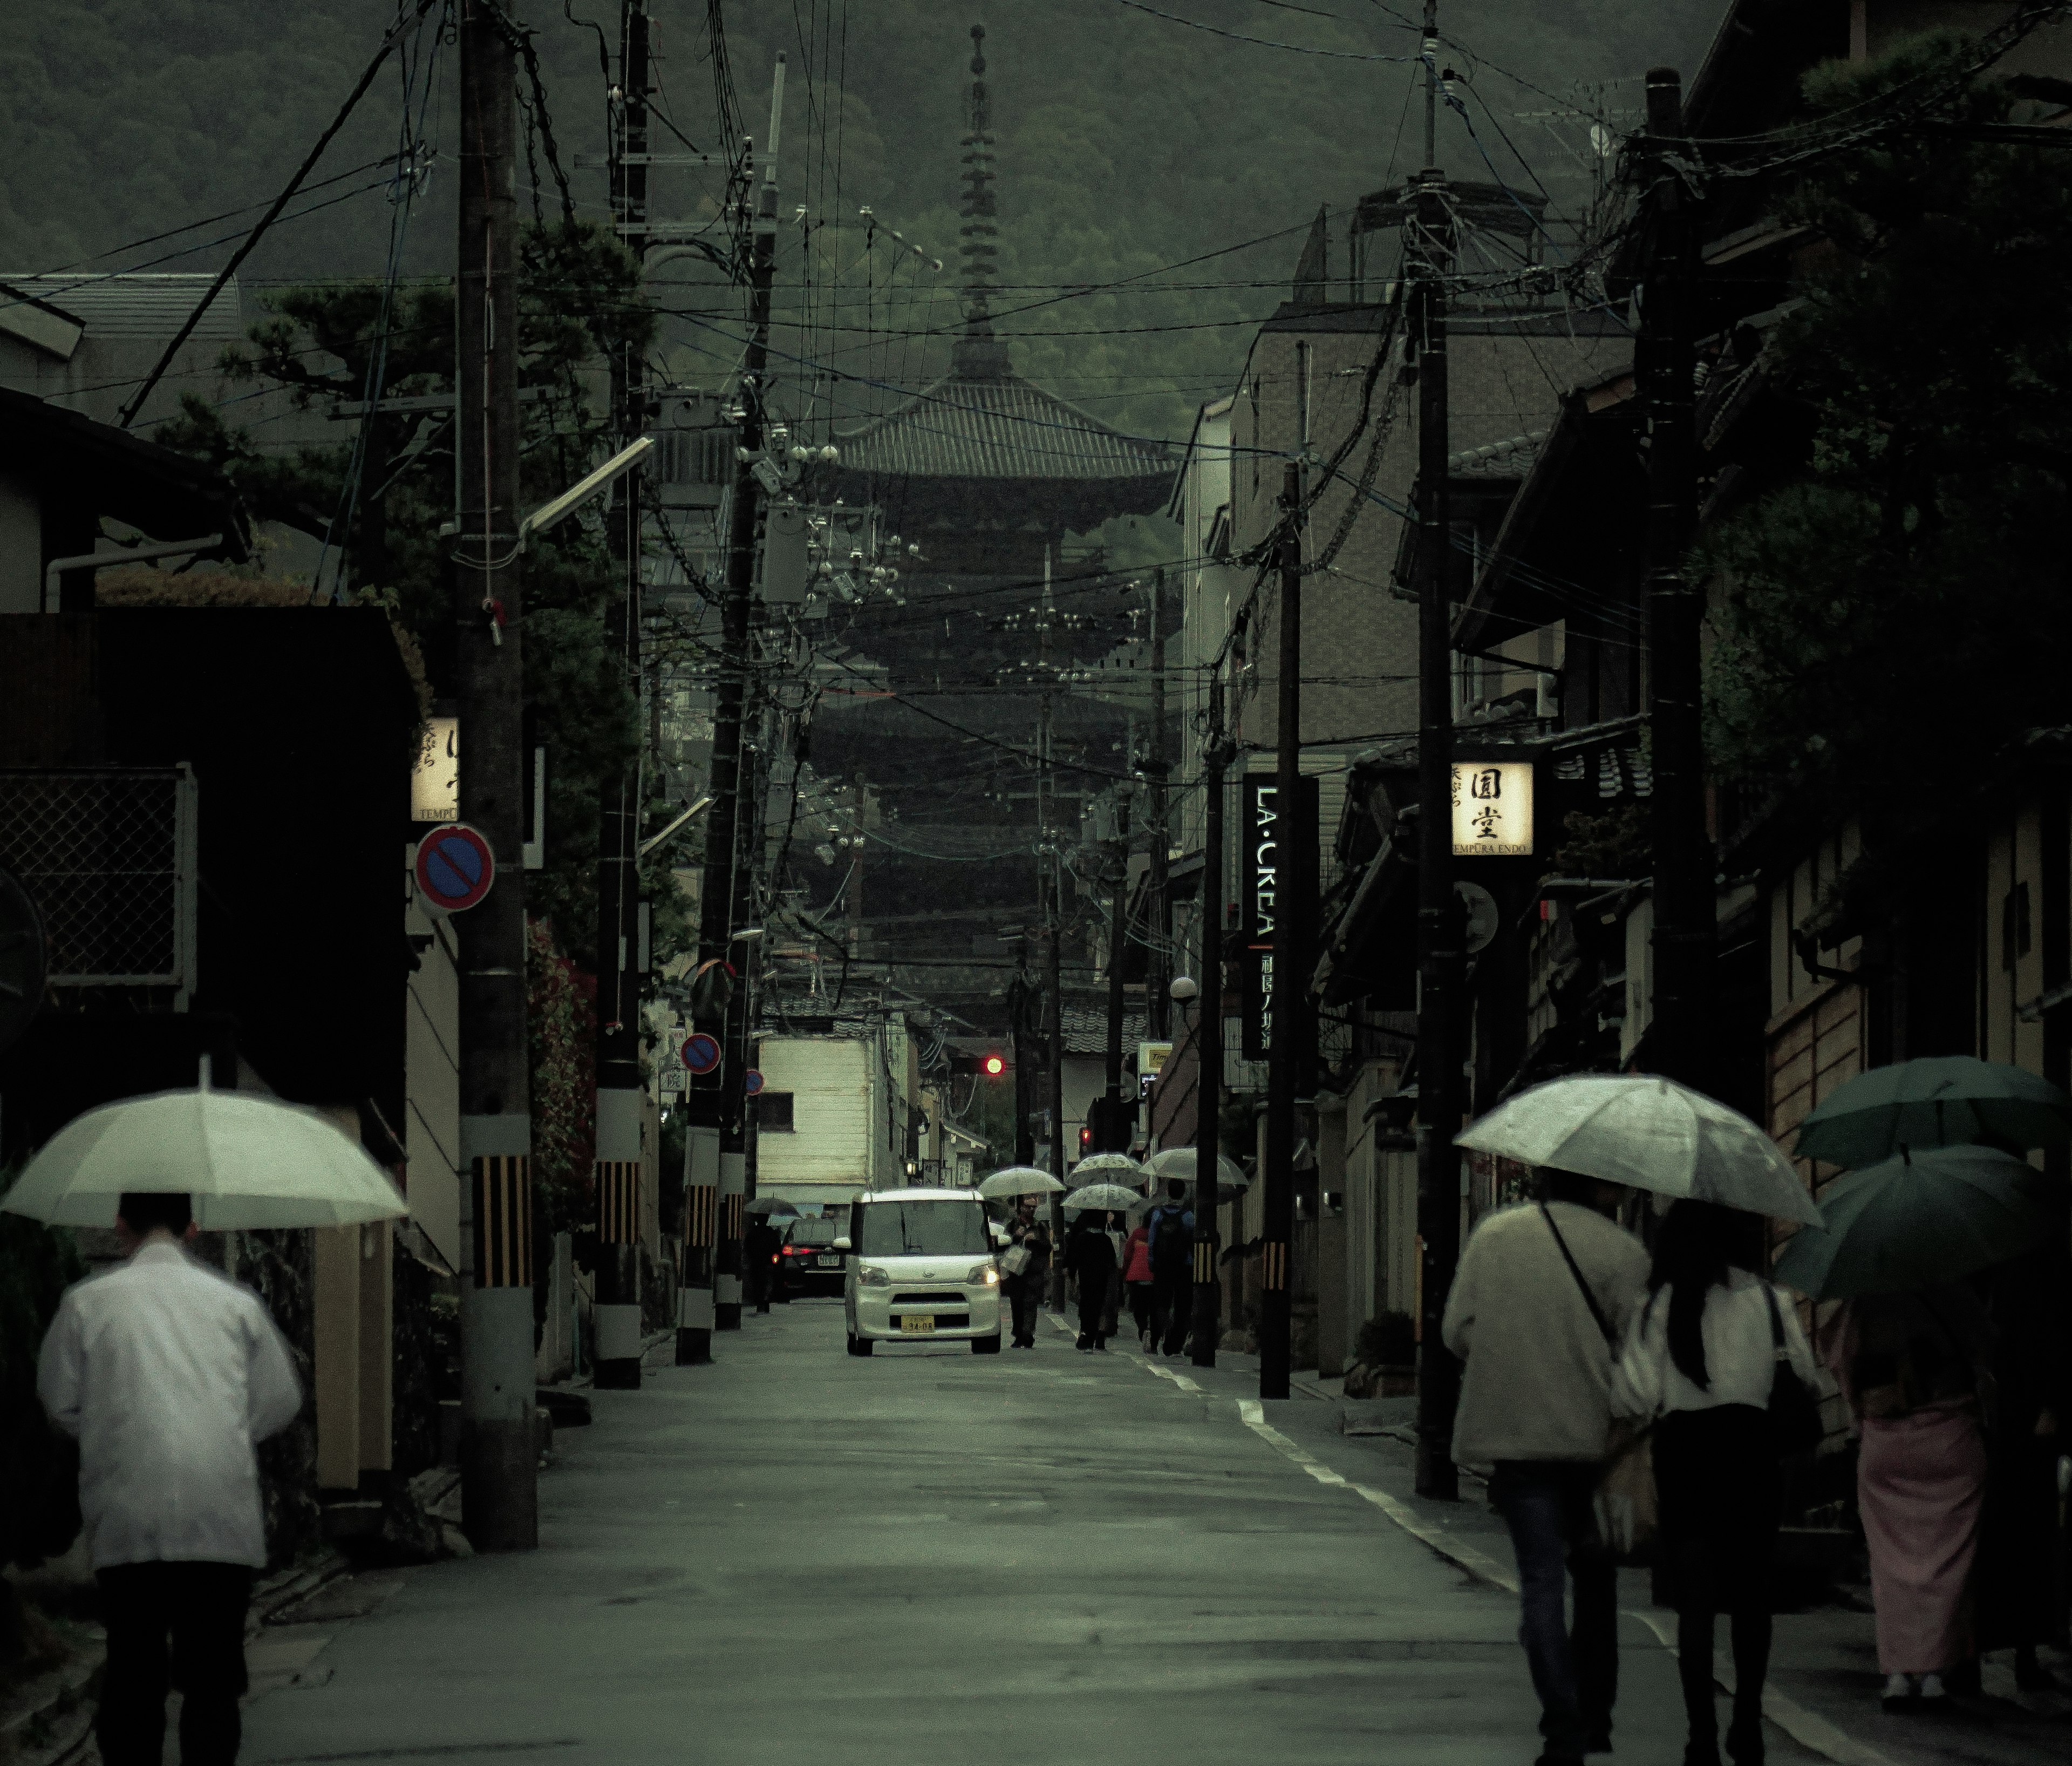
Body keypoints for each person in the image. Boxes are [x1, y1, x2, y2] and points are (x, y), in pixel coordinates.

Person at [37, 1191, 303, 1766]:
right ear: (193, 1226)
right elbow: (280, 1399)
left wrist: (114, 1431)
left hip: (128, 1511)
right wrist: (227, 1430)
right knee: (211, 1681)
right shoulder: (236, 1304)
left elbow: (59, 1402)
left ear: (119, 1225)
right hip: (219, 1515)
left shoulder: (87, 1303)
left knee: (134, 1670)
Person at [1442, 1168, 1649, 1766]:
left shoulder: (1495, 1235)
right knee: (1597, 1579)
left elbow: (1458, 1330)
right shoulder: (1624, 1252)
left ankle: (1562, 1725)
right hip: (1598, 1442)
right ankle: (1597, 1713)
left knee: (1540, 1581)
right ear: (1604, 1186)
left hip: (1520, 1437)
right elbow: (1640, 1351)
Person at [1613, 1201, 1818, 1766]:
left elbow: (1632, 1393)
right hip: (1751, 1452)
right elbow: (1802, 1374)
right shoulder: (1771, 1303)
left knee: (1695, 1603)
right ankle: (1747, 1721)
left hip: (1687, 1455)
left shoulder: (1660, 1305)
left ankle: (1700, 1733)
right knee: (1752, 1597)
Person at [1819, 1280, 1995, 1710]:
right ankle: (1934, 1675)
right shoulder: (1957, 1295)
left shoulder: (1861, 1302)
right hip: (1949, 1435)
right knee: (1949, 1560)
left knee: (1891, 1563)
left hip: (1886, 1439)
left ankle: (1899, 1674)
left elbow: (1838, 1361)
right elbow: (1987, 1356)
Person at [1146, 1179, 1195, 1357]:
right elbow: (1194, 1242)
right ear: (1183, 1194)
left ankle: (1157, 1337)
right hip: (1184, 1265)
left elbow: (1151, 1240)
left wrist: (1151, 1260)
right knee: (1183, 1306)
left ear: (1168, 1191)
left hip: (1162, 1266)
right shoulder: (1189, 1216)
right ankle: (1174, 1344)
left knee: (1161, 1304)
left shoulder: (1158, 1214)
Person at [1064, 1211, 1119, 1350]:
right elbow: (1112, 1262)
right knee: (1099, 1306)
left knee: (1086, 1305)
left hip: (1085, 1277)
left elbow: (1074, 1258)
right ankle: (1096, 1336)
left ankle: (1086, 1334)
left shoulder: (1082, 1238)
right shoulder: (1106, 1240)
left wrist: (1070, 1271)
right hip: (1101, 1278)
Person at [1003, 1202, 1052, 1349]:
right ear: (1021, 1208)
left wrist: (1036, 1239)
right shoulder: (1012, 1225)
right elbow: (1004, 1244)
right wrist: (1015, 1237)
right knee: (1017, 1303)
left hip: (1033, 1272)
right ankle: (1018, 1335)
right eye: (1028, 1207)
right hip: (1016, 1271)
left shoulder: (1040, 1226)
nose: (1031, 1210)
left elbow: (1048, 1247)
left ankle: (1028, 1333)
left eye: (1033, 1207)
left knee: (1030, 1303)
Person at [1121, 1217, 1155, 1346]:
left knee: (1139, 1307)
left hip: (1137, 1276)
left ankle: (1143, 1327)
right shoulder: (1158, 1235)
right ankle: (1152, 1331)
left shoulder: (1137, 1234)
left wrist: (1125, 1273)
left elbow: (1128, 1255)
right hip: (1154, 1276)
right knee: (1153, 1306)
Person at [744, 1213, 782, 1313]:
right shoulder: (771, 1233)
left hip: (756, 1263)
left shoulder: (752, 1233)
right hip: (768, 1263)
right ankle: (765, 1300)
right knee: (768, 1283)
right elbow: (777, 1249)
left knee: (757, 1283)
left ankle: (760, 1301)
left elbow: (747, 1248)